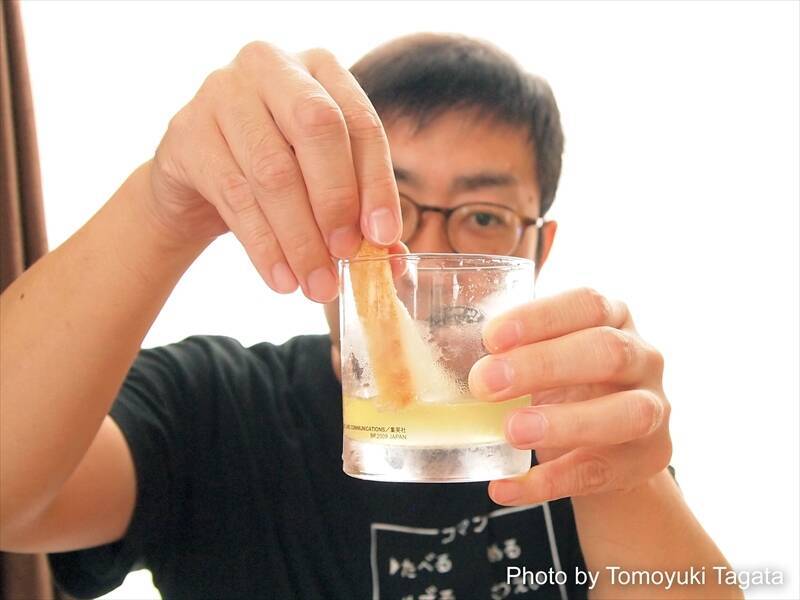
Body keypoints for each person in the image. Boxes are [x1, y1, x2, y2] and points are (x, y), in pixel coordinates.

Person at [0, 33, 740, 599]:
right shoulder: (214, 404)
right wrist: (161, 208)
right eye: (388, 205)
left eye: (483, 216)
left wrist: (626, 478)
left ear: (536, 251)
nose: (426, 255)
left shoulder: (573, 430)